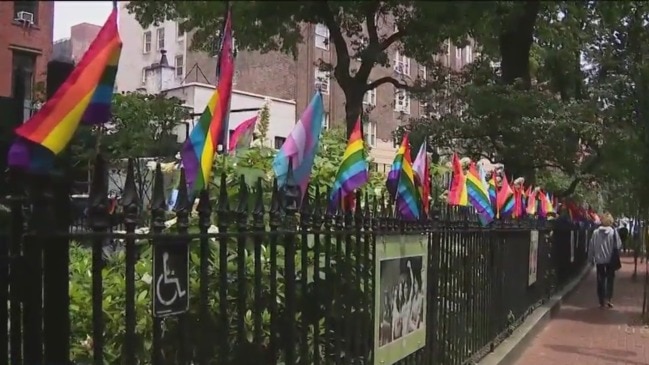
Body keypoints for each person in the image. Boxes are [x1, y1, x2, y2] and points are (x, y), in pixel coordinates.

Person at [588, 212, 622, 309]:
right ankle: (609, 299)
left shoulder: (595, 233)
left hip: (600, 260)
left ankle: (601, 300)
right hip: (610, 261)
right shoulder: (613, 232)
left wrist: (591, 258)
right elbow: (618, 245)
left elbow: (591, 246)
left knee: (600, 280)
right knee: (610, 280)